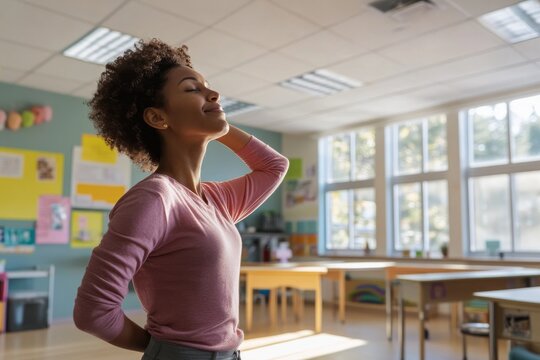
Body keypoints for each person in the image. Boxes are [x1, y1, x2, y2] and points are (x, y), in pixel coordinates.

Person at [73, 39, 289, 360]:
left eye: (209, 88)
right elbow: (93, 310)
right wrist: (160, 349)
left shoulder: (215, 199)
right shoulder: (155, 198)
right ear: (158, 118)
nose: (213, 94)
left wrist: (215, 118)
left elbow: (274, 166)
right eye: (192, 89)